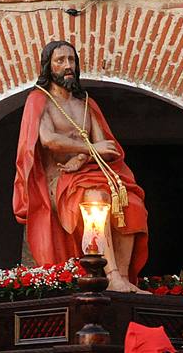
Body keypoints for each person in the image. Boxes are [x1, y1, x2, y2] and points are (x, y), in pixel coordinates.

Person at [12, 39, 148, 292]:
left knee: (132, 202)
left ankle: (125, 279)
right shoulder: (39, 100)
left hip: (89, 172)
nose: (68, 66)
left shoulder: (86, 103)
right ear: (48, 66)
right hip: (59, 181)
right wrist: (89, 150)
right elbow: (49, 140)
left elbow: (105, 146)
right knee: (95, 198)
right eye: (60, 60)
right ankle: (111, 275)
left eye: (71, 60)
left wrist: (83, 157)